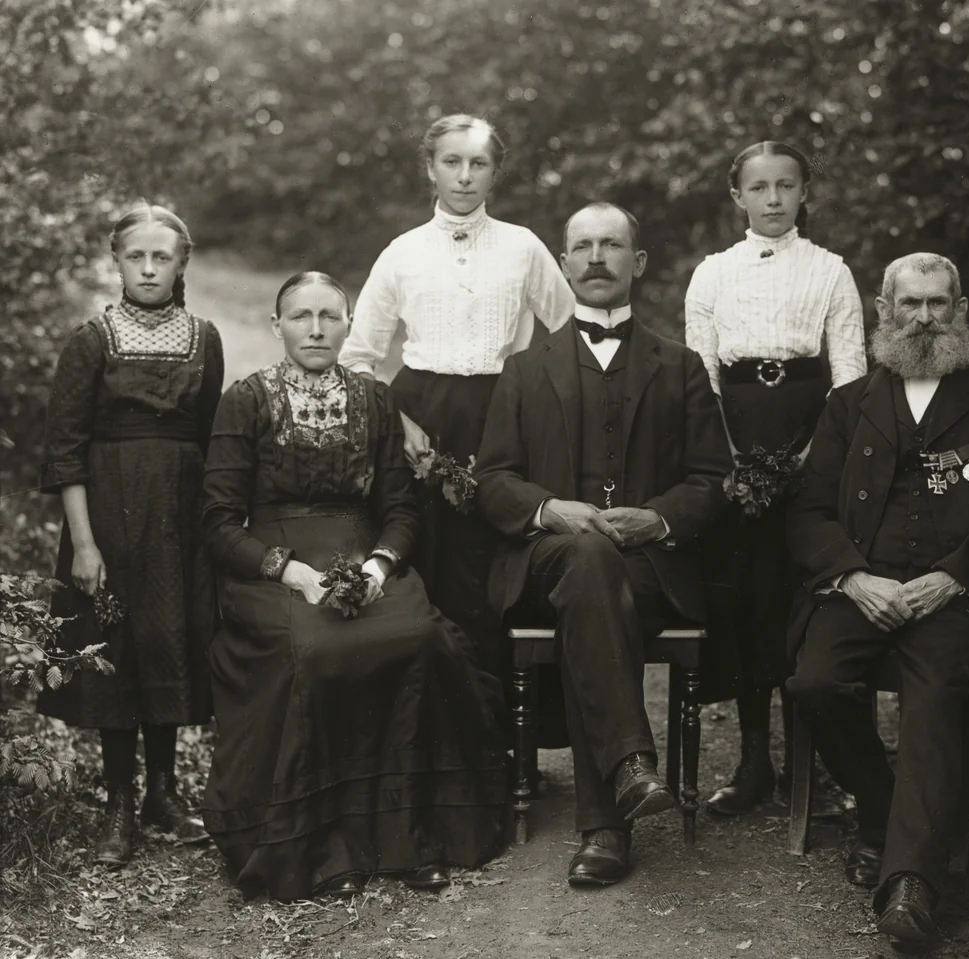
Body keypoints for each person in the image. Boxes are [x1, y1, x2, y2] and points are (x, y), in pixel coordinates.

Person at [201, 272, 509, 902]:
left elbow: (401, 510)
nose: (315, 329)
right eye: (300, 316)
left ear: (348, 326)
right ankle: (323, 847)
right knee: (315, 650)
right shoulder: (246, 401)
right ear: (277, 326)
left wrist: (377, 568)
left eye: (329, 317)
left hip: (361, 556)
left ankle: (409, 837)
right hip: (275, 568)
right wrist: (291, 572)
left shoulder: (374, 399)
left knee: (422, 639)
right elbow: (218, 523)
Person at [785, 253, 969, 945]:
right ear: (884, 311)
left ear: (960, 310)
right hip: (863, 588)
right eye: (911, 303)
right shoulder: (848, 405)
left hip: (953, 597)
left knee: (934, 693)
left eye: (939, 303)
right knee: (815, 683)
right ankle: (881, 809)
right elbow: (808, 513)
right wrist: (853, 578)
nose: (925, 318)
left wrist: (953, 577)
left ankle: (911, 883)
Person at [474, 202, 732, 887]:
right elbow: (492, 480)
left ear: (637, 262)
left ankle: (608, 821)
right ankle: (628, 767)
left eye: (611, 245)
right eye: (583, 246)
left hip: (650, 567)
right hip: (546, 563)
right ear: (563, 265)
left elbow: (712, 480)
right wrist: (548, 509)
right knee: (587, 561)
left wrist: (658, 519)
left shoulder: (680, 366)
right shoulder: (524, 368)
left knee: (598, 588)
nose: (596, 257)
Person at [339, 114, 575, 683]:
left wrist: (537, 401)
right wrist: (397, 421)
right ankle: (430, 719)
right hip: (420, 416)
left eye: (478, 163)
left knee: (493, 561)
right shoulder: (403, 251)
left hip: (502, 412)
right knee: (425, 557)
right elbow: (357, 356)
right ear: (431, 168)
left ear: (495, 173)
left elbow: (571, 333)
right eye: (452, 162)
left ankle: (501, 719)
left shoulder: (522, 246)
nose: (465, 176)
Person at [684, 140, 866, 815]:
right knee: (748, 596)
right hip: (736, 441)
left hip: (813, 436)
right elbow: (701, 374)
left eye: (785, 185)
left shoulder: (831, 271)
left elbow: (849, 374)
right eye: (758, 187)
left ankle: (811, 762)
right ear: (738, 196)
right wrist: (732, 456)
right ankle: (755, 758)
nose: (772, 199)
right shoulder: (712, 274)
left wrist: (814, 453)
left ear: (803, 192)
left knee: (804, 592)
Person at [38, 203, 222, 867]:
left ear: (181, 263)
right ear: (116, 261)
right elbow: (65, 452)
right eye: (135, 256)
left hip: (179, 518)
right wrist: (85, 545)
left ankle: (162, 793)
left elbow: (209, 440)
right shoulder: (91, 341)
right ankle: (119, 800)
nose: (148, 268)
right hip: (107, 518)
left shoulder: (204, 339)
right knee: (114, 644)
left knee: (168, 637)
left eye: (161, 257)